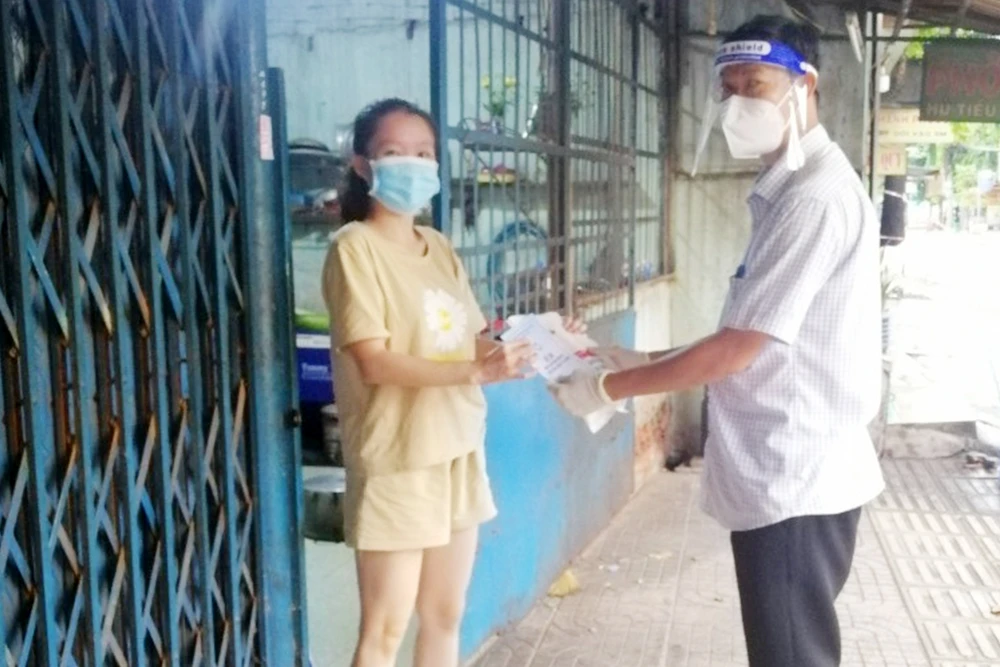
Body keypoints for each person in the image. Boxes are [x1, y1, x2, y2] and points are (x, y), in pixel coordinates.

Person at [550, 16, 885, 667]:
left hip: (795, 475)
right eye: (727, 89)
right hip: (793, 470)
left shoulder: (813, 199)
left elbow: (738, 350)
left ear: (805, 85)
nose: (737, 104)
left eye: (754, 86)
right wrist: (643, 359)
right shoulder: (791, 190)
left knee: (790, 655)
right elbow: (750, 331)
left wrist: (608, 387)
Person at [322, 99, 536, 667]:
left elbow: (469, 340)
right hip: (398, 459)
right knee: (384, 630)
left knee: (445, 616)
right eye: (394, 152)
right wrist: (476, 371)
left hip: (456, 449)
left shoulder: (438, 247)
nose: (412, 165)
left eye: (424, 153)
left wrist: (538, 344)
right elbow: (374, 362)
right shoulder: (354, 249)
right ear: (363, 165)